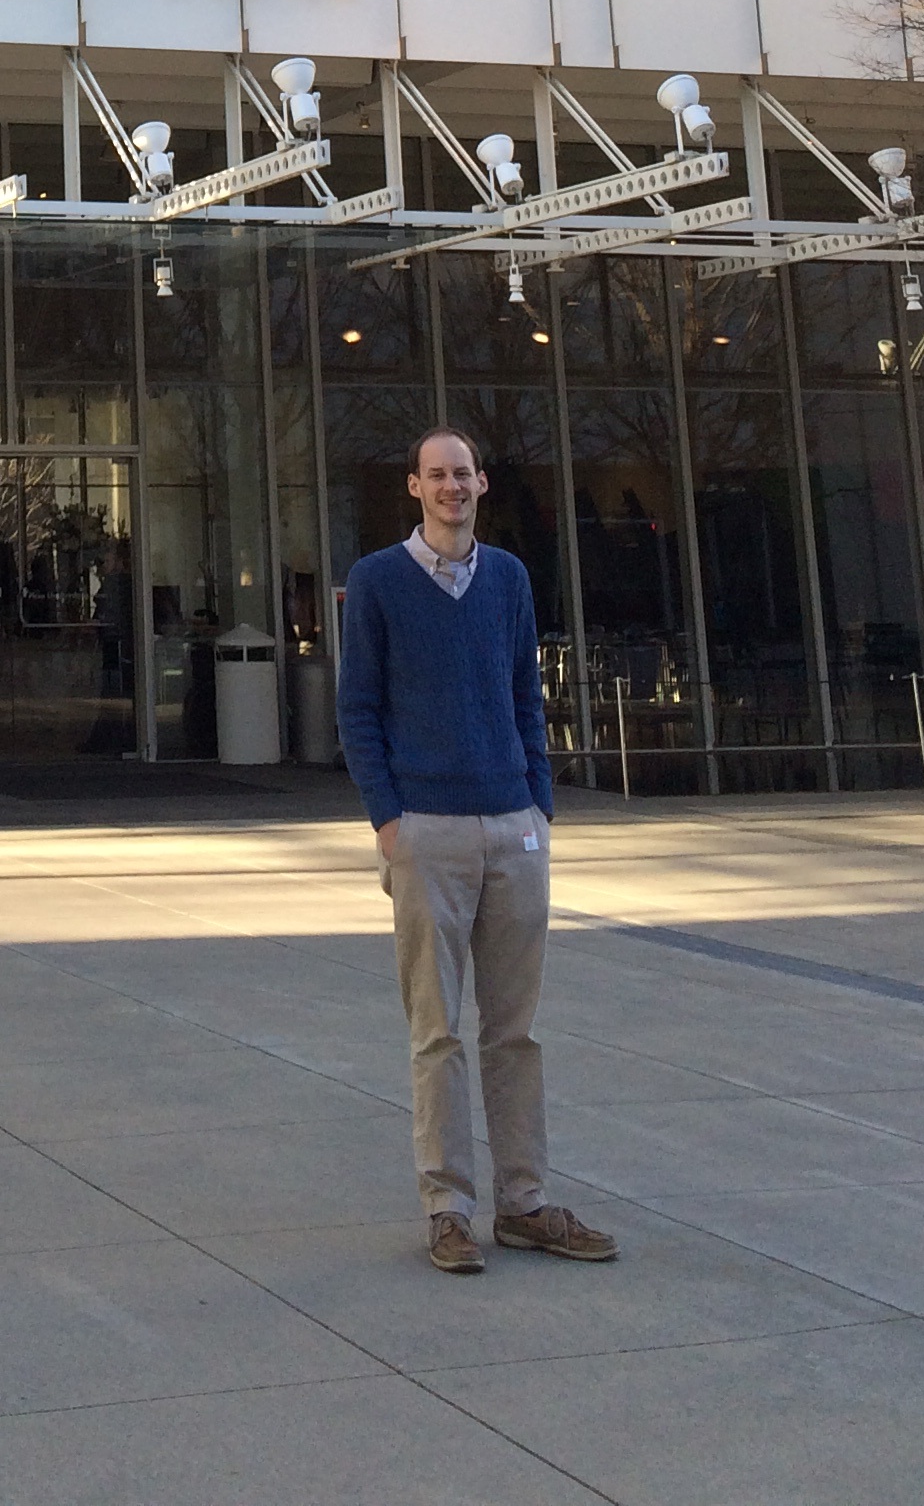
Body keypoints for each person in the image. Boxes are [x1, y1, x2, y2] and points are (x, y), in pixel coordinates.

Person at [336, 427, 617, 1277]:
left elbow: (525, 694)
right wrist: (389, 821)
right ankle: (448, 1210)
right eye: (436, 475)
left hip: (513, 826)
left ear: (482, 484)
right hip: (426, 827)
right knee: (437, 1032)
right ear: (413, 487)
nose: (451, 487)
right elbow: (358, 709)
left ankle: (524, 1203)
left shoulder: (508, 579)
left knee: (515, 1032)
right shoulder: (379, 581)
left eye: (462, 474)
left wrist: (540, 802)